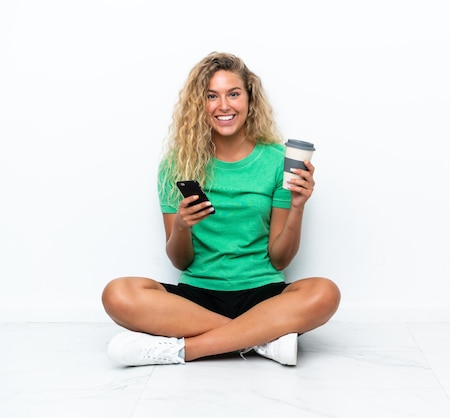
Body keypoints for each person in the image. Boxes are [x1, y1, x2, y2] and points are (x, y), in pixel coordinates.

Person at [102, 51, 341, 367]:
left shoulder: (276, 161)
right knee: (117, 293)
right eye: (211, 96)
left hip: (263, 296)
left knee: (325, 292)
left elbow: (280, 258)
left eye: (233, 94)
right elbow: (179, 260)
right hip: (196, 299)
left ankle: (184, 350)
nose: (224, 105)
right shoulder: (175, 164)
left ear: (249, 99)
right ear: (198, 105)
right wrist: (183, 227)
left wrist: (297, 207)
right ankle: (262, 340)